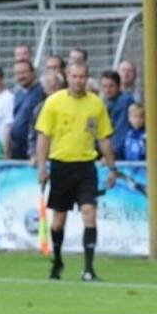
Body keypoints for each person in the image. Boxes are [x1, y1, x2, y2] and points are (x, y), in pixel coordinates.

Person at [35, 61, 116, 281]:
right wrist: (42, 167)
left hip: (86, 166)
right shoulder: (54, 102)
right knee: (58, 220)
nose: (78, 80)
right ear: (67, 77)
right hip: (60, 165)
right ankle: (58, 260)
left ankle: (88, 268)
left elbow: (104, 138)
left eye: (82, 77)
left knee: (89, 212)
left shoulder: (96, 104)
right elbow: (43, 137)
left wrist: (112, 167)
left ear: (87, 79)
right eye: (75, 76)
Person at [9, 60, 45, 159]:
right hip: (17, 150)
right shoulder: (18, 94)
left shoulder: (41, 92)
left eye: (24, 72)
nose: (21, 76)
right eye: (18, 73)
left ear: (33, 72)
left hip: (32, 151)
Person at [100, 70, 135, 160]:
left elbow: (121, 130)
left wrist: (111, 154)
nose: (107, 90)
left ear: (119, 86)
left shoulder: (125, 101)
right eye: (104, 86)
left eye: (111, 86)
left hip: (120, 154)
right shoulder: (101, 103)